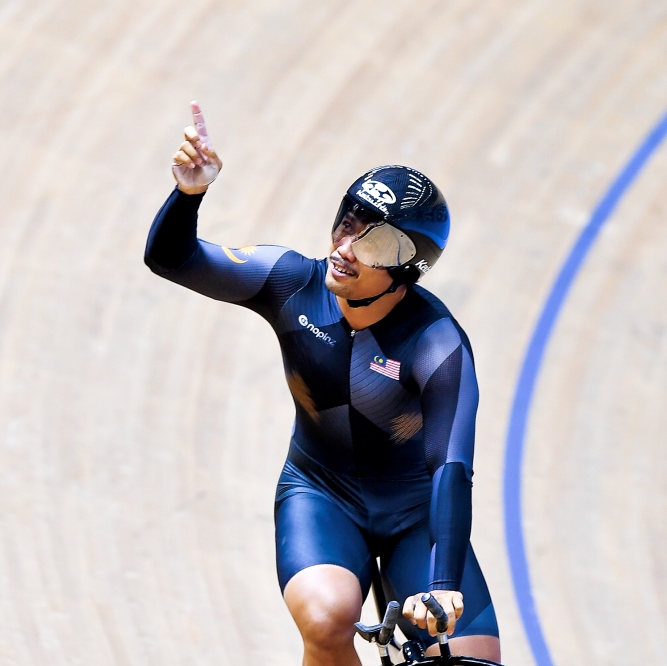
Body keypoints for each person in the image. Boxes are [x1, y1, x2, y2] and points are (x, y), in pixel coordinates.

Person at [145, 102, 501, 665]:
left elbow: (452, 469)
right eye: (348, 222)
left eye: (374, 244)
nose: (345, 248)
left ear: (410, 269)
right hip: (322, 493)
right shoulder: (291, 282)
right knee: (326, 615)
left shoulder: (438, 345)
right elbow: (171, 258)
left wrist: (444, 582)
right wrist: (190, 194)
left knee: (466, 660)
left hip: (415, 515)